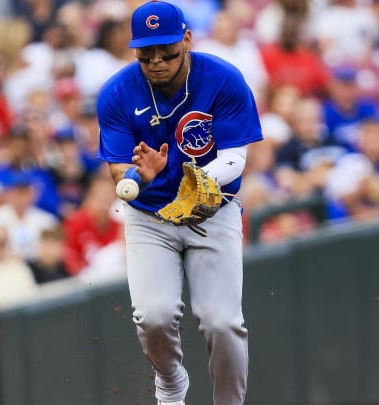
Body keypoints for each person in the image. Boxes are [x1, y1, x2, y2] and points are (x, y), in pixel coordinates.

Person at [96, 2, 263, 404]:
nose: (155, 61)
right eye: (145, 53)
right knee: (153, 317)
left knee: (222, 323)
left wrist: (198, 180)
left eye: (166, 51)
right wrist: (141, 176)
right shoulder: (116, 92)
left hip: (212, 210)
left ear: (186, 39)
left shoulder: (223, 79)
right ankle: (171, 381)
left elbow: (236, 156)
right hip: (151, 217)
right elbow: (120, 176)